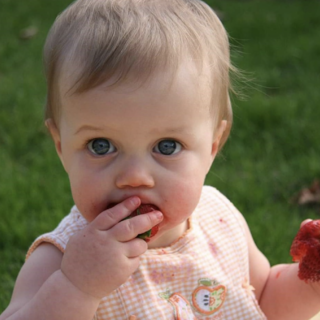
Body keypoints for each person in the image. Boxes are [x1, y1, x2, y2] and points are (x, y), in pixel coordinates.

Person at [1, 0, 320, 319]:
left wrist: (312, 282)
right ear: (61, 147)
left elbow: (262, 299)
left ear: (212, 147)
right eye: (100, 145)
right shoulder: (60, 260)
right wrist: (76, 288)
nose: (135, 176)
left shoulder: (220, 220)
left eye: (167, 146)